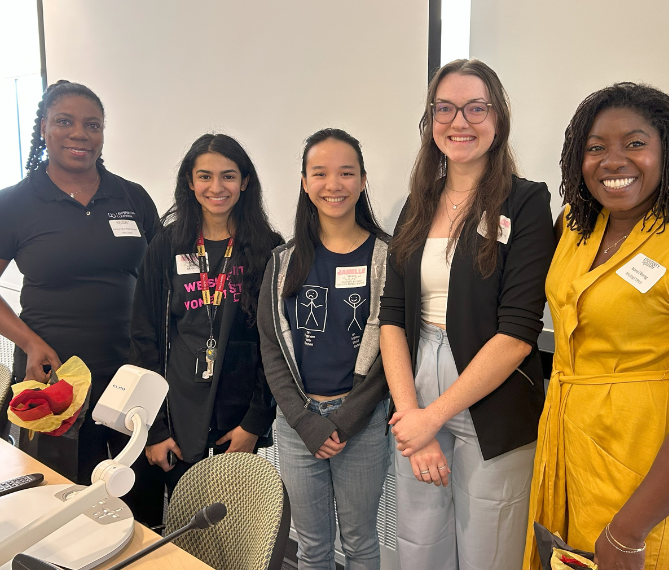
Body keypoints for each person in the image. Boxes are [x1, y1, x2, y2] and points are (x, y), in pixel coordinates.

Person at [523, 83, 669, 570]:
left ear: (668, 152)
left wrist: (629, 531)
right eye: (596, 147)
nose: (613, 160)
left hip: (652, 487)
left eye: (635, 143)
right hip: (572, 461)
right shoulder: (574, 228)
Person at [379, 59, 555, 570]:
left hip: (492, 390)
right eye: (446, 109)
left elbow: (519, 331)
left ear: (498, 118)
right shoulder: (419, 202)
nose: (460, 122)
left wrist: (432, 417)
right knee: (419, 547)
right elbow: (392, 315)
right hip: (416, 382)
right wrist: (414, 416)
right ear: (430, 121)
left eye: (476, 108)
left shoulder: (524, 202)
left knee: (489, 551)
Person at [0, 80, 159, 483]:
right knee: (62, 489)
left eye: (93, 125)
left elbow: (163, 278)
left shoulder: (132, 197)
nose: (79, 134)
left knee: (132, 487)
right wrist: (30, 343)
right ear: (44, 128)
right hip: (55, 374)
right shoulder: (14, 204)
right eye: (64, 121)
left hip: (130, 370)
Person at [126, 133, 281, 526]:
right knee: (183, 526)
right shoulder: (166, 246)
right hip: (175, 414)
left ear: (245, 182)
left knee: (230, 527)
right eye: (205, 176)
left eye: (228, 176)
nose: (217, 187)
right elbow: (144, 337)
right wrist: (153, 429)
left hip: (237, 415)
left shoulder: (267, 249)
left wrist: (254, 424)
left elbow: (275, 346)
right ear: (190, 183)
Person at [259, 128, 391, 570]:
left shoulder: (388, 257)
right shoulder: (282, 261)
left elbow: (392, 350)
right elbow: (272, 350)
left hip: (364, 424)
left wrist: (345, 421)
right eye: (320, 173)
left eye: (346, 173)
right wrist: (306, 423)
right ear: (304, 182)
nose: (333, 185)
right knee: (312, 547)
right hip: (298, 427)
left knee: (359, 542)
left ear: (363, 181)